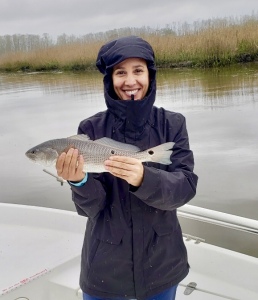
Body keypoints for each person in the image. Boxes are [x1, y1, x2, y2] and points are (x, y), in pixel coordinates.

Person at [56, 36, 198, 300]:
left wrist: (145, 178)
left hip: (163, 268)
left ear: (150, 76)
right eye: (121, 72)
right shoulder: (90, 129)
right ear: (110, 80)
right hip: (104, 273)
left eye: (138, 71)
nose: (130, 81)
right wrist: (79, 182)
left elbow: (186, 188)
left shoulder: (173, 124)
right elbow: (92, 208)